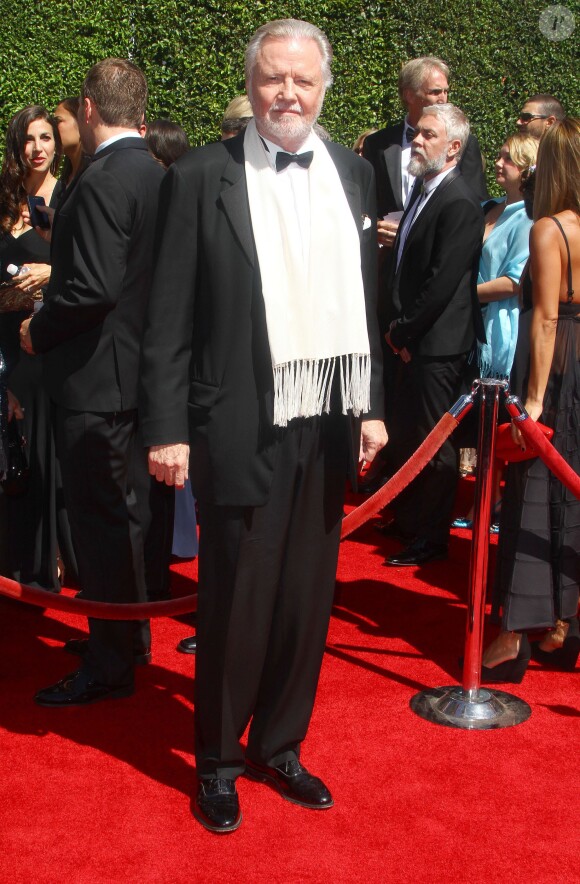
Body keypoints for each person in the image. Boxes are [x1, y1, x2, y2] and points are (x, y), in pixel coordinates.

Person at [140, 18, 386, 833]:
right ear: (250, 85)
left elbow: (363, 298)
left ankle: (280, 743)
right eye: (273, 78)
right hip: (235, 420)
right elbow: (166, 315)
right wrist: (167, 428)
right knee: (236, 599)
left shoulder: (350, 172)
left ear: (323, 89)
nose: (287, 93)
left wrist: (373, 404)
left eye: (302, 81)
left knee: (304, 598)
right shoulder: (201, 176)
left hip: (325, 419)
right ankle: (215, 762)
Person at [20, 58, 170, 706]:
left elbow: (92, 288)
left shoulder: (108, 178)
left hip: (97, 379)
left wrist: (38, 329)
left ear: (86, 108)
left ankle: (111, 663)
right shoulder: (153, 172)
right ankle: (123, 637)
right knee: (123, 520)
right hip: (135, 374)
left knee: (104, 522)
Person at [482, 118, 580, 682]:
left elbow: (543, 318)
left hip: (555, 368)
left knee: (536, 489)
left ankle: (513, 634)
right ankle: (564, 626)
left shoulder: (550, 229)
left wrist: (534, 402)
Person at [381, 104, 484, 566]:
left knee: (435, 442)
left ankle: (432, 536)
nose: (416, 140)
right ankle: (409, 519)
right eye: (417, 132)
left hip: (437, 344)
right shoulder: (426, 191)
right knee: (408, 433)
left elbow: (442, 282)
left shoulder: (459, 201)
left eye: (428, 134)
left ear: (454, 147)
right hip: (414, 340)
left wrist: (404, 331)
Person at [0, 105, 77, 591]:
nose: (38, 148)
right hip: (7, 347)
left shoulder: (71, 195)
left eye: (46, 137)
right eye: (29, 139)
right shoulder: (3, 199)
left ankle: (58, 556)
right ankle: (19, 562)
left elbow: (90, 274)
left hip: (53, 343)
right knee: (15, 450)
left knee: (52, 451)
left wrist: (52, 275)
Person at [452, 133, 538, 532]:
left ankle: (491, 506)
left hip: (501, 329)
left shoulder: (528, 218)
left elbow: (513, 281)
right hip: (472, 326)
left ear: (527, 171)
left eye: (509, 159)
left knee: (495, 423)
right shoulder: (489, 207)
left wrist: (461, 295)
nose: (499, 162)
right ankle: (484, 504)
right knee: (477, 425)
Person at [363, 57, 487, 257]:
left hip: (437, 256)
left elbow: (476, 205)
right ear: (409, 95)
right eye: (435, 92)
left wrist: (411, 234)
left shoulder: (463, 143)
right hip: (387, 262)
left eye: (446, 91)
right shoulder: (377, 144)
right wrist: (376, 227)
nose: (443, 99)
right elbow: (367, 203)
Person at [53, 98, 90, 189]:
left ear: (81, 121)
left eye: (58, 121)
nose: (52, 129)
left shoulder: (94, 174)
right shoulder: (65, 178)